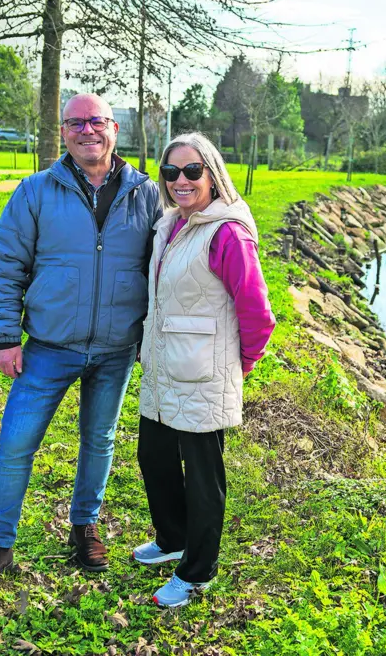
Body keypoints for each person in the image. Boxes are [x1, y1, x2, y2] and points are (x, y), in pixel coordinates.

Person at [0, 93, 161, 594]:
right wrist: (6, 337)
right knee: (14, 446)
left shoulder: (148, 194)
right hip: (48, 348)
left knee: (99, 440)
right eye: (75, 123)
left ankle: (84, 527)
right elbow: (5, 266)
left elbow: (165, 269)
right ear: (63, 132)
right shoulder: (34, 192)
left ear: (115, 129)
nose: (86, 130)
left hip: (117, 348)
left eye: (96, 121)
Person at [132, 132, 276, 608]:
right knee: (152, 458)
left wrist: (239, 366)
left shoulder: (227, 233)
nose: (181, 181)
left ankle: (197, 572)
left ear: (212, 174)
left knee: (202, 479)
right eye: (171, 172)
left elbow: (257, 314)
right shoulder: (171, 223)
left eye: (192, 171)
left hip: (203, 376)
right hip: (162, 368)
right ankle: (172, 538)